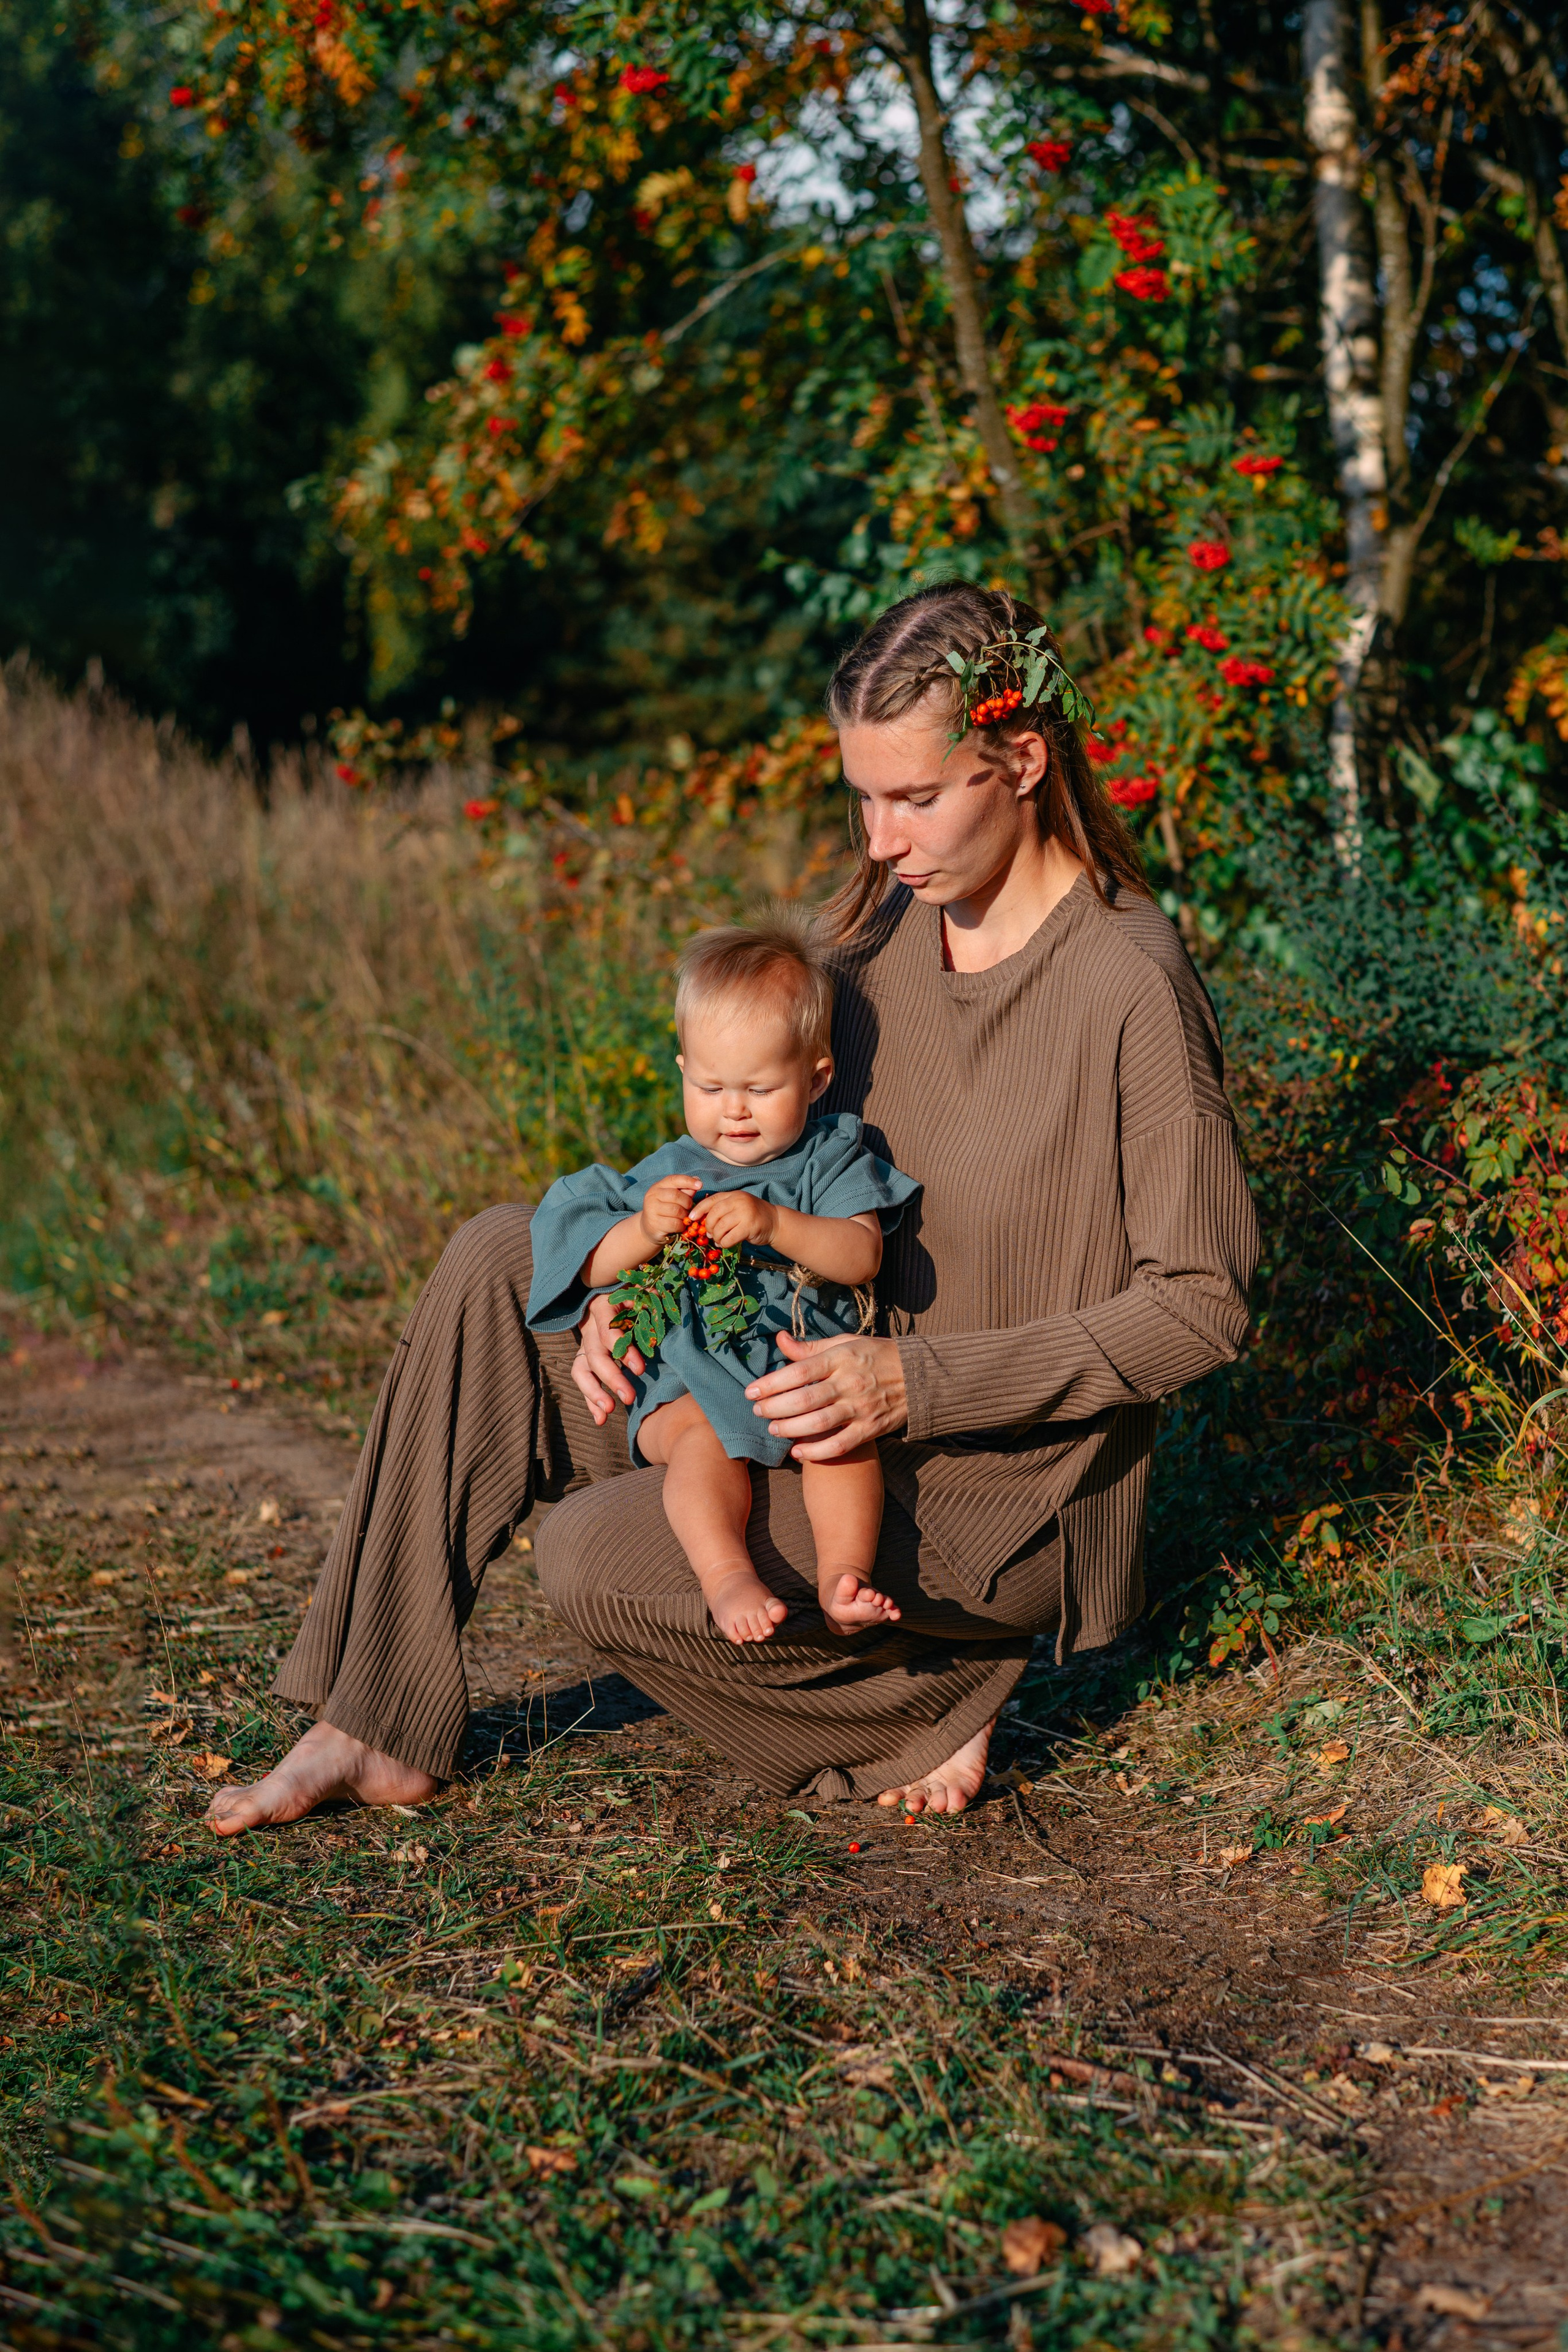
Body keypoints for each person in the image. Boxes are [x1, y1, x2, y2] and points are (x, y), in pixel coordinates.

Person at [207, 580, 1259, 1838]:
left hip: (990, 1476)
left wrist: (914, 1389)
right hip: (785, 1379)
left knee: (596, 1550)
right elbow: (744, 1147)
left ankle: (923, 1695)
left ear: (1021, 759)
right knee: (506, 1258)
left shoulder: (1127, 983)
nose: (880, 838)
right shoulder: (867, 945)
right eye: (862, 797)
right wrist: (627, 1284)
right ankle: (368, 1722)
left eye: (916, 797)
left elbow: (1201, 1308)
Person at [523, 922, 921, 1643]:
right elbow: (589, 1258)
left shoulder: (828, 1161)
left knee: (840, 1443)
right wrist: (645, 1231)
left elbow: (861, 1254)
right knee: (701, 1450)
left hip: (804, 1370)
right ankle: (725, 1574)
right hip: (693, 1380)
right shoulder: (670, 1171)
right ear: (682, 1072)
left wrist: (775, 1224)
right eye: (710, 1086)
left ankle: (843, 1576)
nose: (733, 1109)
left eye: (761, 1088)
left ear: (817, 1079)